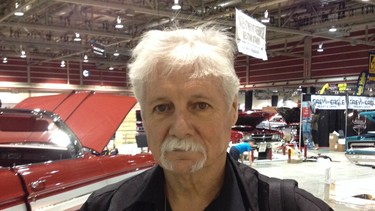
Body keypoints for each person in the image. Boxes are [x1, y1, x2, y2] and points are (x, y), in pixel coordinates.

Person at [80, 23, 333, 211]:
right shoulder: (103, 207)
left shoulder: (292, 208)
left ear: (232, 110)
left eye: (200, 105)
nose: (180, 128)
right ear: (144, 116)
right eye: (162, 107)